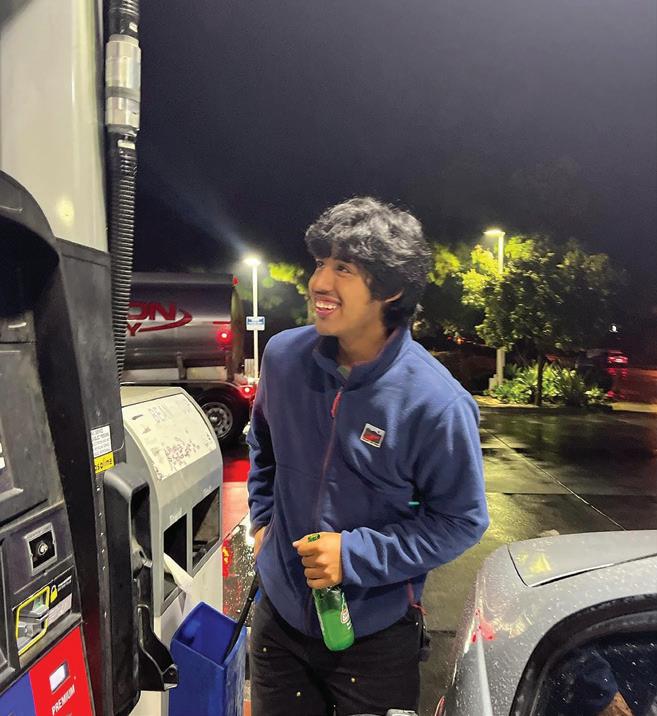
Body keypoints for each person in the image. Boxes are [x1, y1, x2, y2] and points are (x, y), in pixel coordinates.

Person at [247, 196, 489, 716]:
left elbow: (462, 520)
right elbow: (262, 444)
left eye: (344, 269)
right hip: (278, 624)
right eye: (320, 263)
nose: (319, 282)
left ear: (391, 288)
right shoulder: (283, 358)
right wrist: (263, 520)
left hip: (375, 638)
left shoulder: (436, 402)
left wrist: (355, 555)